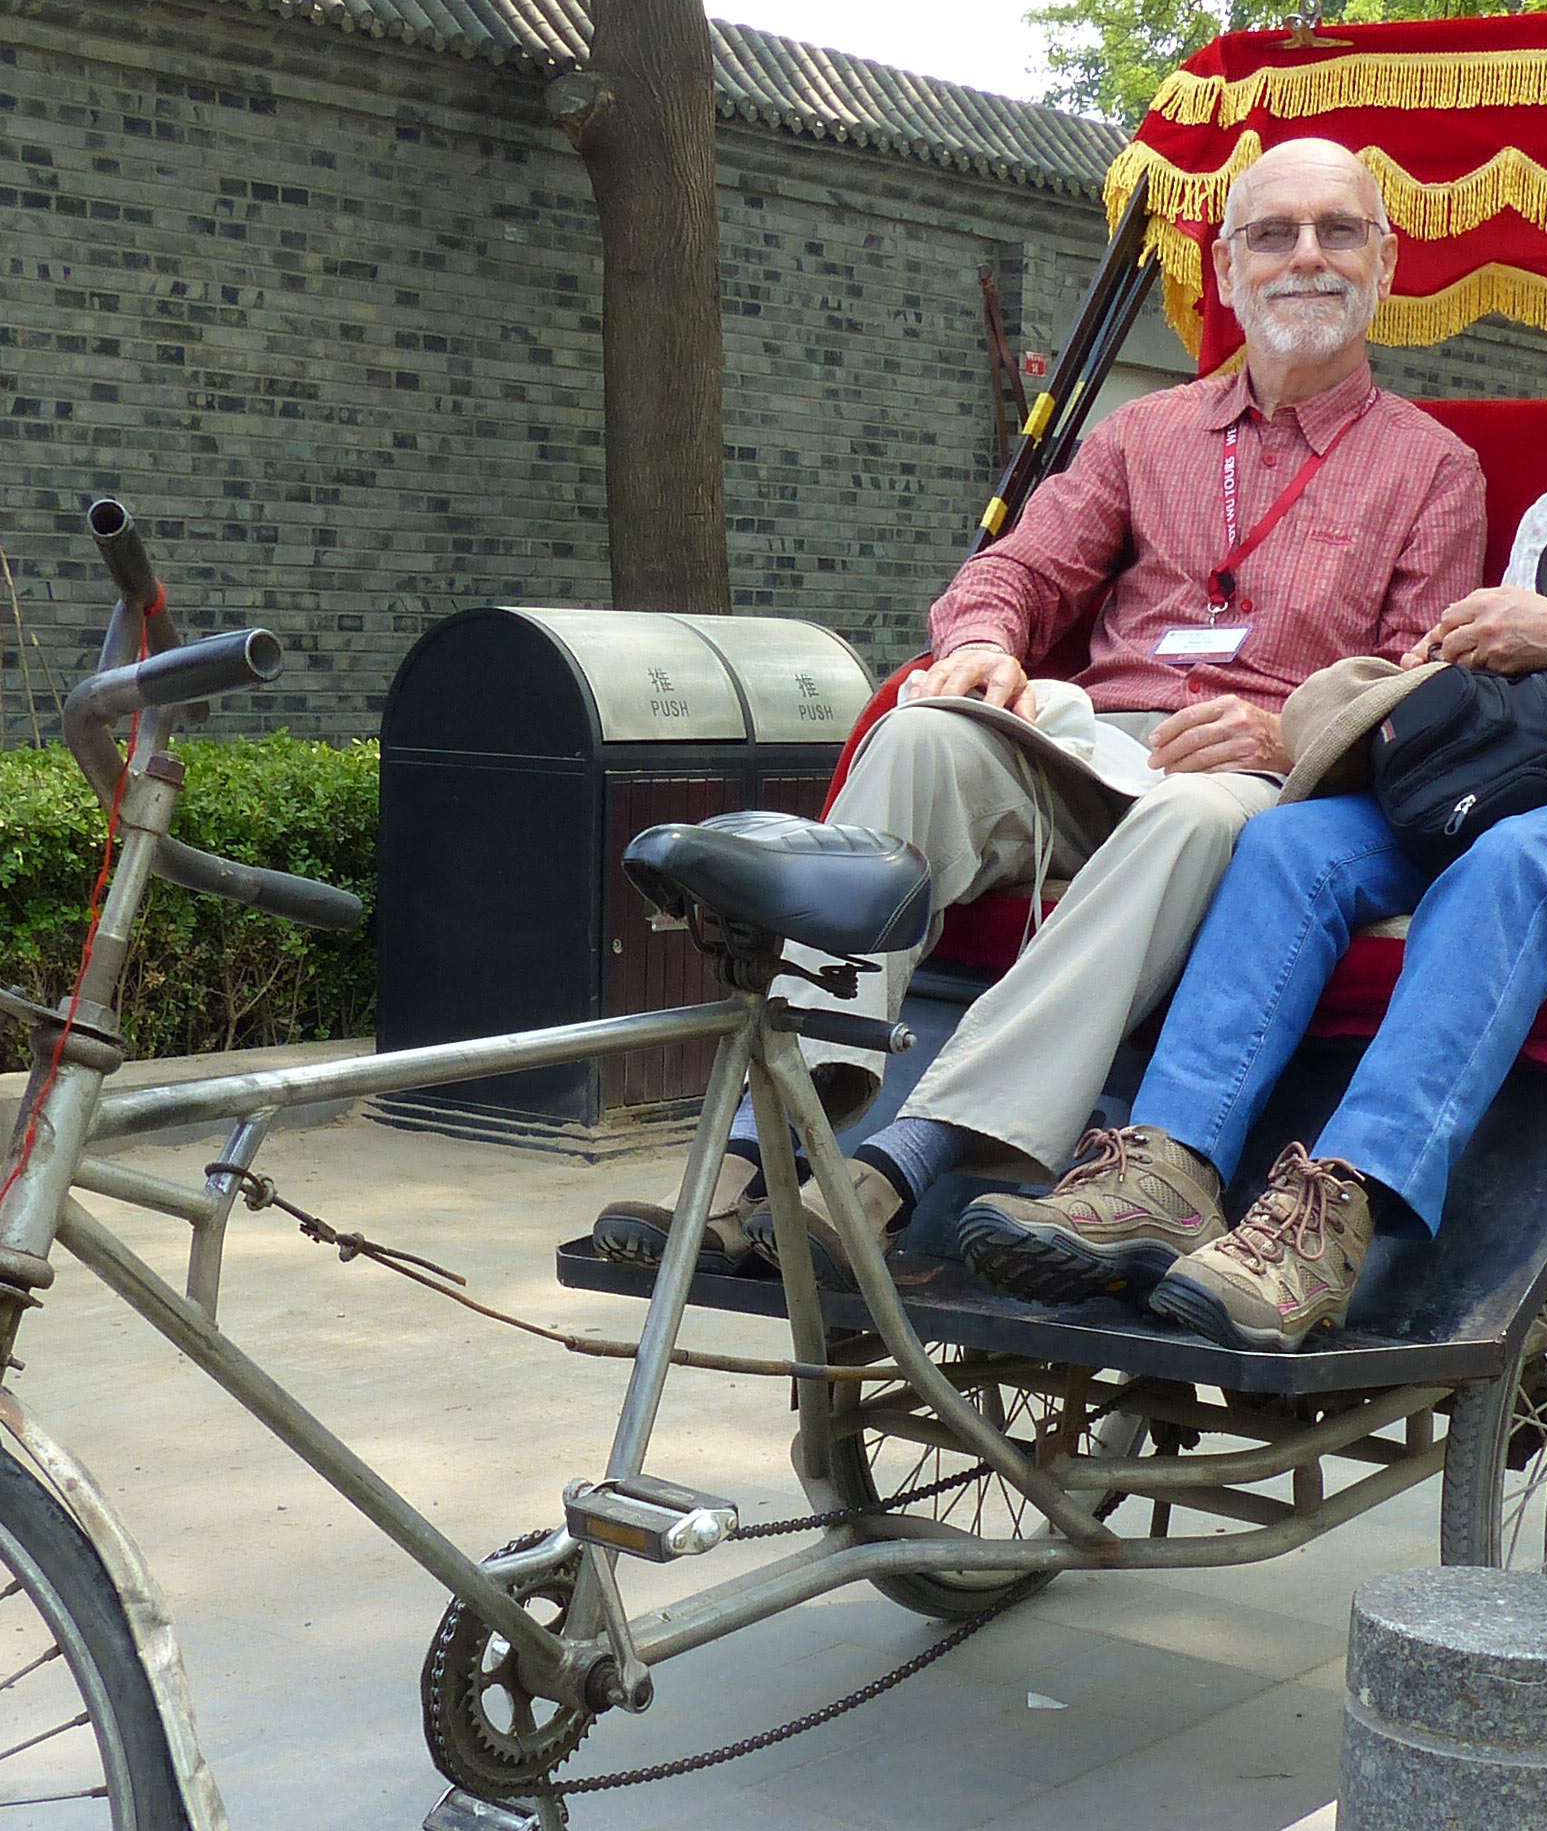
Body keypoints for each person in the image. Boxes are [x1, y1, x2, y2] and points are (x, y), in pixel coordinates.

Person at [955, 207, 1547, 1351]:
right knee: (1288, 842)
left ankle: (1341, 1208)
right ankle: (1170, 1164)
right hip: (1535, 776)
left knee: (1510, 866)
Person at [589, 136, 1485, 1280]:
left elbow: (1423, 684)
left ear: (1384, 265)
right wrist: (979, 647)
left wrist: (1290, 732)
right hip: (1092, 749)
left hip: (1253, 782)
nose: (1304, 257)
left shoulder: (1431, 466)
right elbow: (1012, 572)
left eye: (1337, 231)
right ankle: (763, 1146)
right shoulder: (1144, 434)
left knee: (1194, 816)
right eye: (1272, 233)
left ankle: (901, 1161)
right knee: (919, 730)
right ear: (1224, 270)